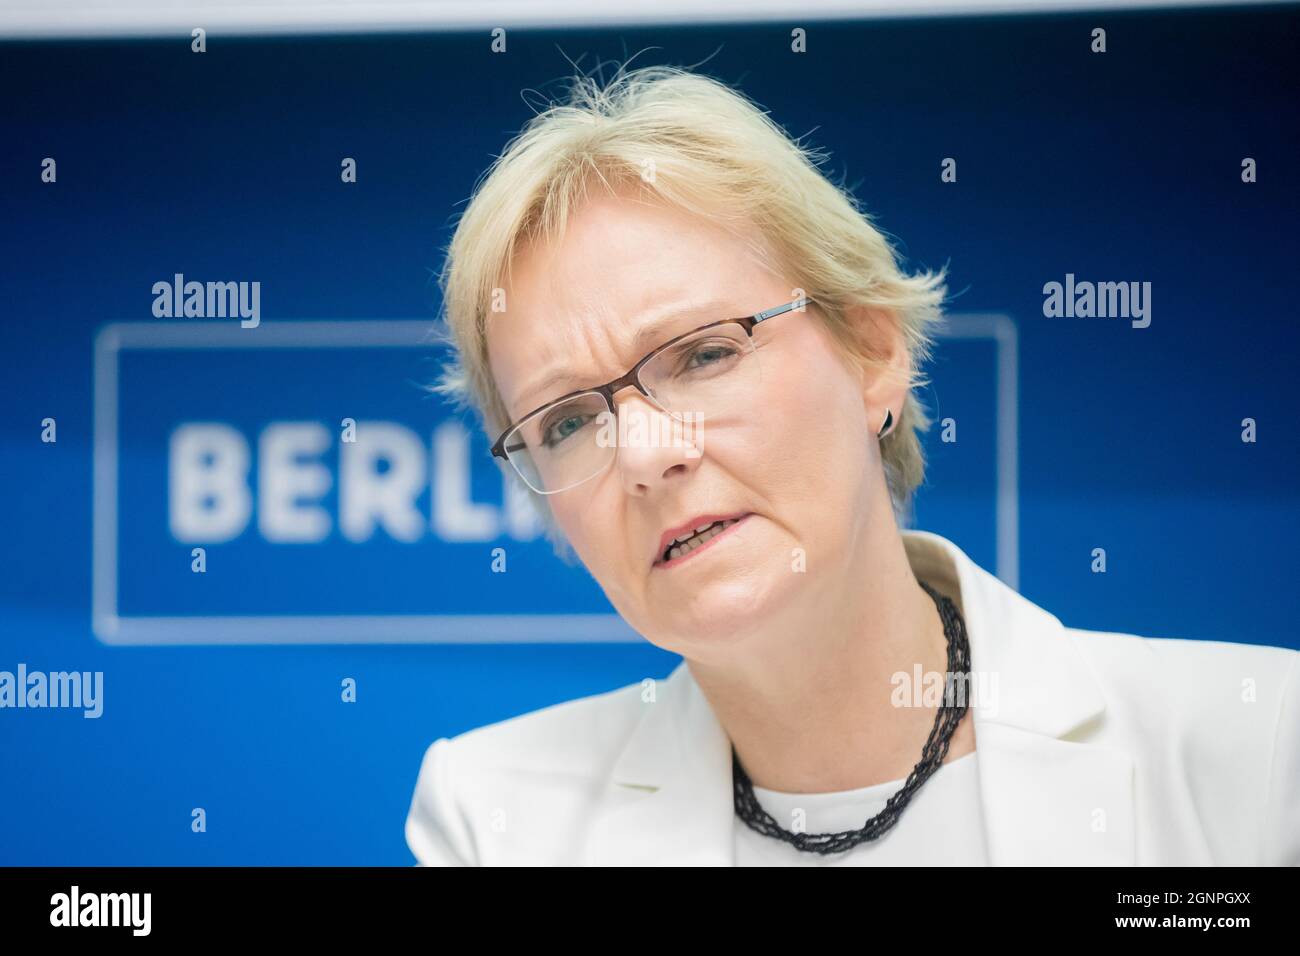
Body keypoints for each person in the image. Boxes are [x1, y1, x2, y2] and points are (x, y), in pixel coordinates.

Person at [405, 64, 1298, 865]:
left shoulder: (1258, 753)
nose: (643, 457)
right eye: (567, 421)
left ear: (873, 353)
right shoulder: (497, 821)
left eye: (703, 354)